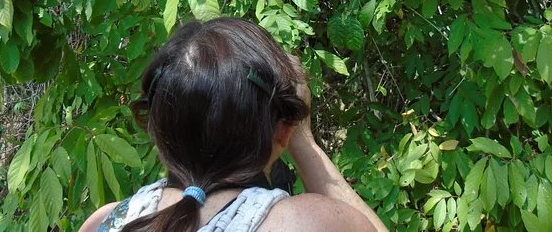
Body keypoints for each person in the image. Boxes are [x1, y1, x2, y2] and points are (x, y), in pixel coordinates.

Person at [80, 18, 387, 232]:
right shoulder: (309, 223)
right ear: (283, 129)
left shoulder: (105, 222)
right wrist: (301, 139)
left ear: (157, 135)